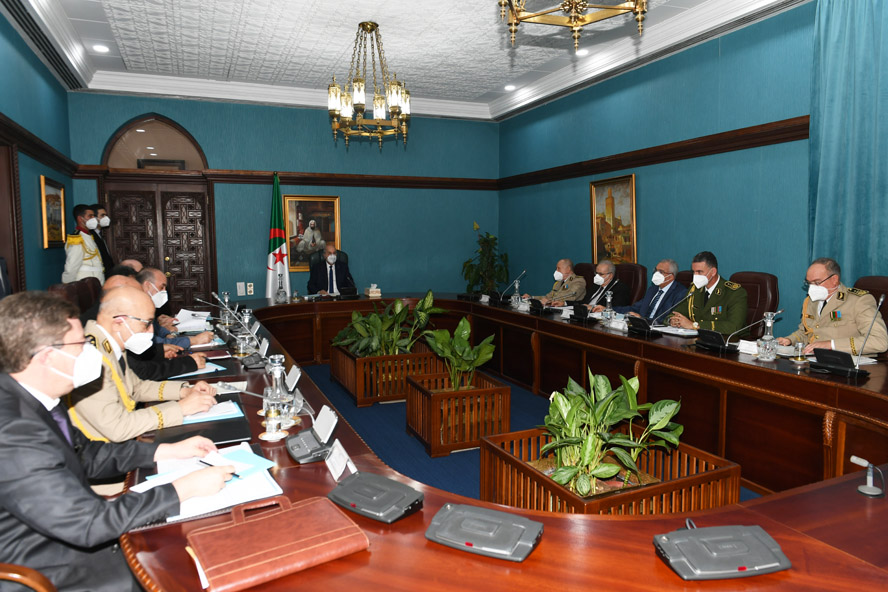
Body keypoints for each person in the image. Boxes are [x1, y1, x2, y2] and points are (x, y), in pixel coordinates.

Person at [0, 291, 233, 591]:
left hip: (73, 529)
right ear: (47, 356)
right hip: (53, 567)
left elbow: (88, 454)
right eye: (80, 345)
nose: (89, 352)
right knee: (194, 565)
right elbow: (87, 524)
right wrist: (182, 489)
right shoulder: (12, 431)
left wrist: (167, 450)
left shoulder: (35, 395)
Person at [66, 286, 217, 442]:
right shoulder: (89, 356)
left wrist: (184, 391)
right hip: (101, 450)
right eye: (146, 324)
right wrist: (180, 409)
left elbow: (136, 387)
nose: (151, 332)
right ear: (118, 322)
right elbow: (117, 427)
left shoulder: (112, 343)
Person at [777, 257, 888, 355]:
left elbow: (879, 341)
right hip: (816, 360)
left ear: (834, 279)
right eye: (809, 283)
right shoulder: (811, 301)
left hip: (850, 363)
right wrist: (789, 340)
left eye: (816, 282)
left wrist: (831, 345)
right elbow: (806, 332)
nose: (812, 288)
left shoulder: (858, 301)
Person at [670, 251, 747, 335]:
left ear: (713, 272)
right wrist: (673, 320)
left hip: (728, 340)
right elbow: (677, 313)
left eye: (699, 272)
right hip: (700, 338)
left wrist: (695, 325)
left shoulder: (734, 293)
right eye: (693, 272)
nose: (695, 275)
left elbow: (734, 327)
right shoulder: (694, 290)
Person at [136, 268, 214, 348]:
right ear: (147, 285)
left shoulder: (147, 305)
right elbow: (154, 344)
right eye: (161, 287)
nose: (164, 291)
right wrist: (193, 340)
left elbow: (156, 328)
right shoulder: (136, 308)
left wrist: (167, 334)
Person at [596, 259, 687, 321]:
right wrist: (609, 309)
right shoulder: (653, 289)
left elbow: (668, 320)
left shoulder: (680, 293)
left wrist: (643, 320)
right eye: (655, 270)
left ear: (670, 277)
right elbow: (634, 308)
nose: (656, 274)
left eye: (661, 272)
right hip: (642, 328)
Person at [62, 204, 105, 283]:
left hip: (96, 281)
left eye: (94, 216)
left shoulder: (89, 236)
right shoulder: (76, 239)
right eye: (90, 216)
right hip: (85, 283)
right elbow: (72, 266)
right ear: (80, 219)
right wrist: (68, 284)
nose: (93, 218)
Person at [90, 203, 115, 273]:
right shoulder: (90, 235)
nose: (106, 218)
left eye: (106, 215)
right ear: (94, 218)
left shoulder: (99, 234)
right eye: (102, 215)